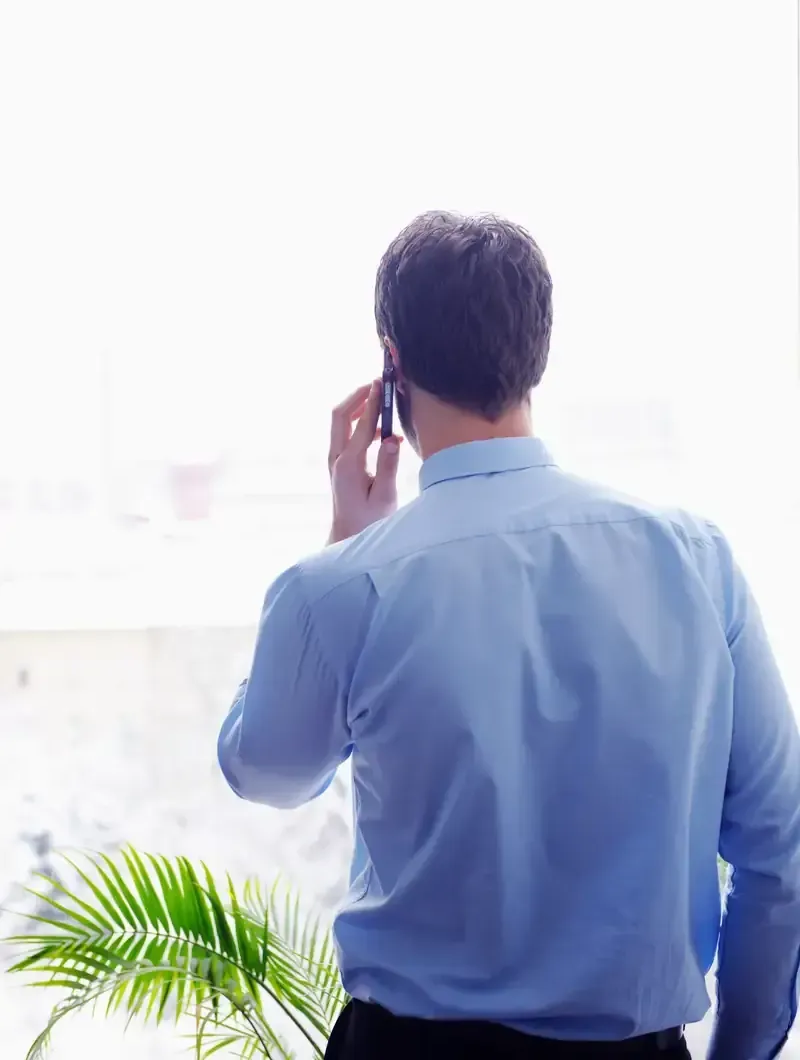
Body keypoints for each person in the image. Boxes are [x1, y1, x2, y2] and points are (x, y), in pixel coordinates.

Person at [218, 211, 800, 1059]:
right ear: (539, 349)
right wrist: (739, 1051)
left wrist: (346, 540)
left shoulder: (343, 586)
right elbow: (778, 847)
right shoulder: (695, 557)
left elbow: (266, 771)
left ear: (391, 363)